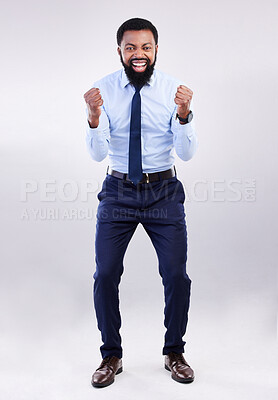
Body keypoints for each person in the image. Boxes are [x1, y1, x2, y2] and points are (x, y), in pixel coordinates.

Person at [84, 17, 198, 388]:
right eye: (130, 47)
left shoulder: (172, 90)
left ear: (155, 51)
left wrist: (183, 116)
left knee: (176, 275)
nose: (138, 54)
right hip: (118, 192)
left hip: (163, 192)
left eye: (145, 48)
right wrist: (94, 118)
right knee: (105, 275)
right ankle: (110, 355)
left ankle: (174, 351)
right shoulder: (102, 90)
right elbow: (97, 155)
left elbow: (187, 153)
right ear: (119, 50)